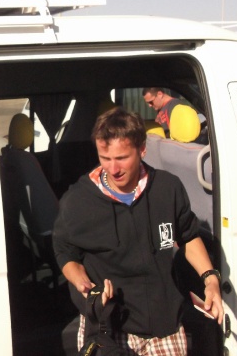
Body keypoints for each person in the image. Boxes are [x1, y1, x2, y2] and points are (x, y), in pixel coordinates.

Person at [52, 108, 223, 355]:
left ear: (142, 149)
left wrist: (210, 279)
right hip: (108, 328)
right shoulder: (78, 200)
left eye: (122, 158)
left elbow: (188, 235)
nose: (113, 168)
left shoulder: (167, 188)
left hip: (164, 324)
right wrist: (80, 280)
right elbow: (64, 248)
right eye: (105, 158)